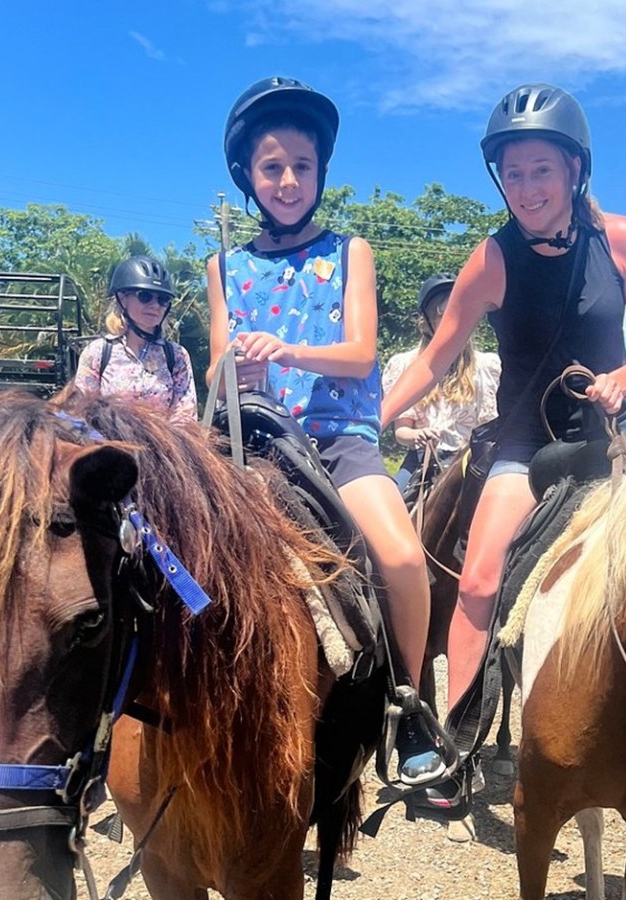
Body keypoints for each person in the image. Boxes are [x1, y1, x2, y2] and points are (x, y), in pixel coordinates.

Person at [381, 82, 626, 801]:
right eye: (512, 172)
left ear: (576, 170)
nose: (526, 186)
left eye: (540, 169)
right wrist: (379, 413)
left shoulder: (624, 239)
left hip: (616, 427)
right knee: (479, 580)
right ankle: (455, 742)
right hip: (524, 438)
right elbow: (437, 355)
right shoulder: (492, 258)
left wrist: (621, 377)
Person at [209, 76, 448, 787]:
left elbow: (361, 355)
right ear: (248, 177)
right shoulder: (226, 266)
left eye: (300, 167)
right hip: (255, 439)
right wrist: (235, 370)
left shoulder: (351, 252)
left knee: (403, 558)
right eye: (271, 167)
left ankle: (410, 704)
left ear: (320, 173)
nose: (286, 180)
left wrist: (284, 350)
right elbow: (219, 368)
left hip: (339, 438)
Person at [382, 273, 501, 492]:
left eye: (458, 311)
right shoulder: (405, 365)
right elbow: (401, 432)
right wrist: (417, 435)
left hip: (470, 463)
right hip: (423, 460)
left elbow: (490, 428)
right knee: (390, 502)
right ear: (424, 321)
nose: (450, 320)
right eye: (441, 313)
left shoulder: (487, 367)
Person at [74, 256, 197, 421]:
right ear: (122, 298)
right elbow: (82, 412)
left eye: (163, 300)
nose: (155, 305)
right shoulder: (97, 352)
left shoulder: (177, 355)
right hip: (109, 443)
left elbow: (185, 415)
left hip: (163, 444)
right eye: (145, 296)